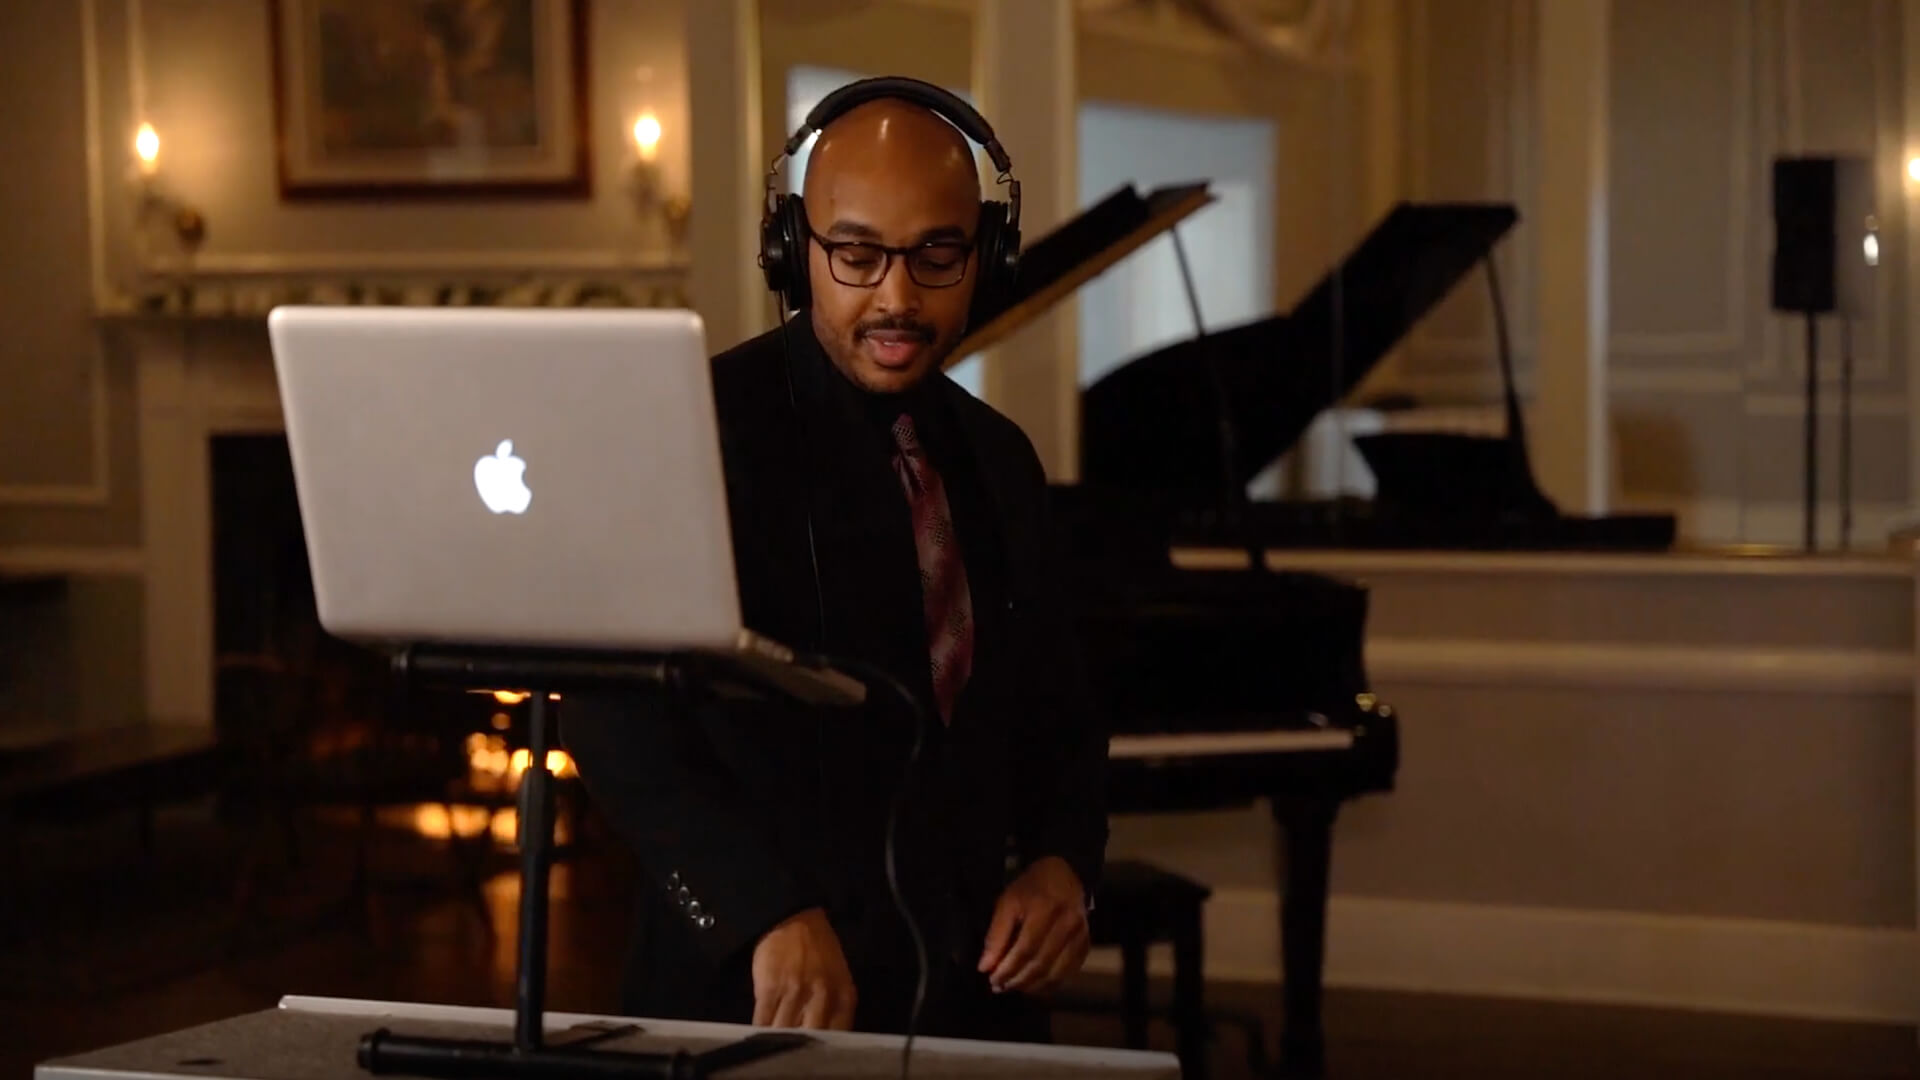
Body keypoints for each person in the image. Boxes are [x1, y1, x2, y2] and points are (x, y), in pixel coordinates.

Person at [561, 76, 1108, 1043]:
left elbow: (1061, 710)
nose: (897, 296)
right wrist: (760, 913)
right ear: (792, 250)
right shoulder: (689, 430)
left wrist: (1064, 860)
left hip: (971, 1003)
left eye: (937, 255)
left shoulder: (1002, 457)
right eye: (856, 255)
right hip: (747, 993)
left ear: (988, 253)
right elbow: (613, 715)